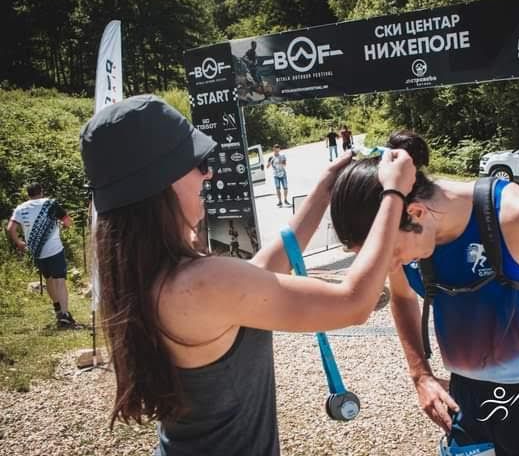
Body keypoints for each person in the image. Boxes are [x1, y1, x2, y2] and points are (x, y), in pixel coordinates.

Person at [79, 95, 415, 455]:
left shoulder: (148, 277)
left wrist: (322, 191)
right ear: (161, 182)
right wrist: (393, 193)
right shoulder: (203, 283)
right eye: (197, 164)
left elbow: (258, 274)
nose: (208, 173)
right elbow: (354, 303)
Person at [330, 131, 519, 456]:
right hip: (467, 399)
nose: (388, 267)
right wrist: (420, 375)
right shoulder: (397, 227)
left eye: (391, 254)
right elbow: (403, 298)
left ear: (416, 213)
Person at [6, 183, 78, 329]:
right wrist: (63, 225)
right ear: (41, 191)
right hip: (55, 249)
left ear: (28, 194)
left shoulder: (20, 208)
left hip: (37, 252)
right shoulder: (50, 204)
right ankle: (64, 316)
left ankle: (58, 309)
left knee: (49, 279)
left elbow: (10, 228)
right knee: (60, 281)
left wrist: (19, 243)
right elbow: (68, 222)